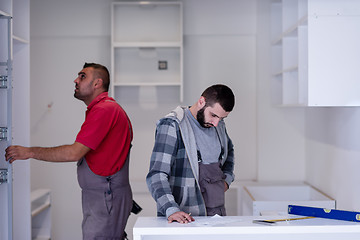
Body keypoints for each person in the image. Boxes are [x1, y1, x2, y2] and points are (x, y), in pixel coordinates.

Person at [5, 63, 133, 239]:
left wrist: (30, 152)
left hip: (106, 198)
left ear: (97, 83)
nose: (76, 80)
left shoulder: (105, 110)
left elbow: (74, 152)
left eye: (82, 76)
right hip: (103, 197)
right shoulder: (103, 109)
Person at [146, 84, 235, 224]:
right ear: (201, 102)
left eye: (222, 118)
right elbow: (157, 175)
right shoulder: (172, 125)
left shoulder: (218, 125)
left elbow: (229, 152)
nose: (216, 123)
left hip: (218, 217)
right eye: (213, 115)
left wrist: (227, 180)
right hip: (185, 220)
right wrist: (171, 209)